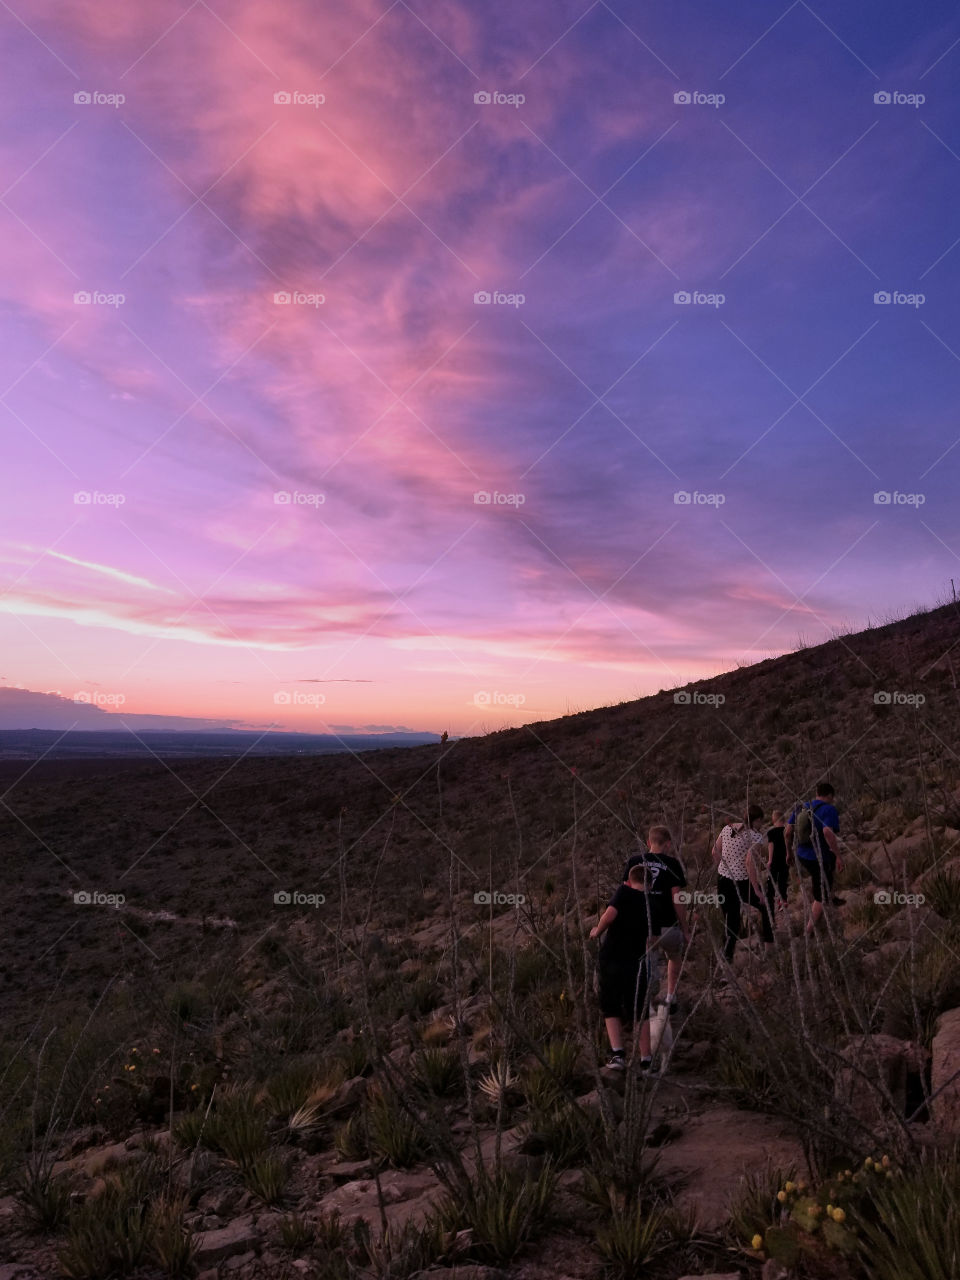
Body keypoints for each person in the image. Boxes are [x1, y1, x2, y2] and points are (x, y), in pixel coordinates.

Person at [589, 863, 656, 1072]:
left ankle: (618, 1054)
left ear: (629, 880)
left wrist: (596, 932)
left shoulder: (624, 891)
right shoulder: (651, 901)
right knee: (639, 1012)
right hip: (636, 962)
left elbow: (609, 915)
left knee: (611, 1006)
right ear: (650, 884)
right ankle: (646, 1061)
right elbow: (653, 937)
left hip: (612, 958)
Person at [621, 825, 689, 1010]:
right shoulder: (673, 864)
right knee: (674, 956)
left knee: (646, 964)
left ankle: (647, 1006)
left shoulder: (634, 862)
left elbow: (624, 895)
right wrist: (685, 929)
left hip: (643, 929)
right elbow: (677, 898)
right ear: (667, 844)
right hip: (668, 927)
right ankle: (670, 996)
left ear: (649, 842)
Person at [712, 805, 773, 963]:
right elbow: (749, 863)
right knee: (765, 905)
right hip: (741, 882)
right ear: (757, 820)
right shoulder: (755, 837)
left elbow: (714, 852)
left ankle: (726, 959)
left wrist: (723, 869)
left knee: (730, 922)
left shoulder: (727, 828)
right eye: (761, 821)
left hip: (723, 879)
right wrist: (756, 889)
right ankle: (769, 948)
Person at [785, 782, 843, 934]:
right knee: (820, 894)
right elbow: (828, 833)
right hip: (818, 856)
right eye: (832, 797)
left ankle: (829, 893)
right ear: (830, 795)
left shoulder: (801, 807)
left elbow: (787, 832)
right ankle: (809, 930)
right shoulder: (829, 809)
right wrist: (838, 856)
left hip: (801, 854)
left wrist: (789, 852)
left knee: (824, 876)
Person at [765, 810, 790, 920]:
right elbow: (789, 844)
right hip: (785, 859)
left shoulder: (771, 832)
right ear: (783, 819)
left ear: (773, 820)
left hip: (775, 860)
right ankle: (783, 900)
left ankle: (770, 905)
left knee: (771, 883)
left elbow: (771, 846)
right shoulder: (787, 831)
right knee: (783, 880)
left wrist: (769, 860)